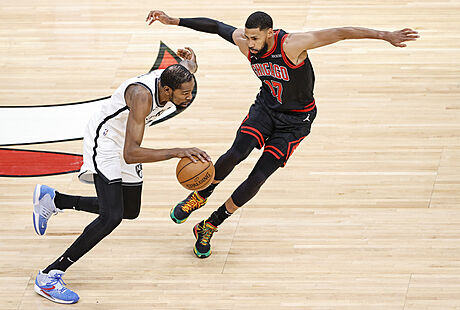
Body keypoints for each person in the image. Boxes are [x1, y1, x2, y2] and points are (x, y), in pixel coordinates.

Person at [146, 10, 419, 258]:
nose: (249, 43)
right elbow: (217, 26)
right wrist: (174, 21)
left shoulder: (292, 45)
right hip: (265, 108)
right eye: (248, 37)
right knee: (235, 153)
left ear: (270, 33)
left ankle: (210, 224)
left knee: (258, 177)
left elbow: (341, 33)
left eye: (255, 38)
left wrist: (385, 35)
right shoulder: (245, 42)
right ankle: (201, 195)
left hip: (296, 122)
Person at [32, 47, 210, 304]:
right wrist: (178, 151)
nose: (189, 97)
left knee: (129, 209)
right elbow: (131, 154)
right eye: (185, 93)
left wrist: (191, 64)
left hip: (128, 140)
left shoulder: (174, 80)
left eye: (191, 91)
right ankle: (50, 275)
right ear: (168, 90)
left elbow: (186, 71)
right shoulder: (141, 97)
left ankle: (55, 200)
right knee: (111, 217)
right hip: (105, 141)